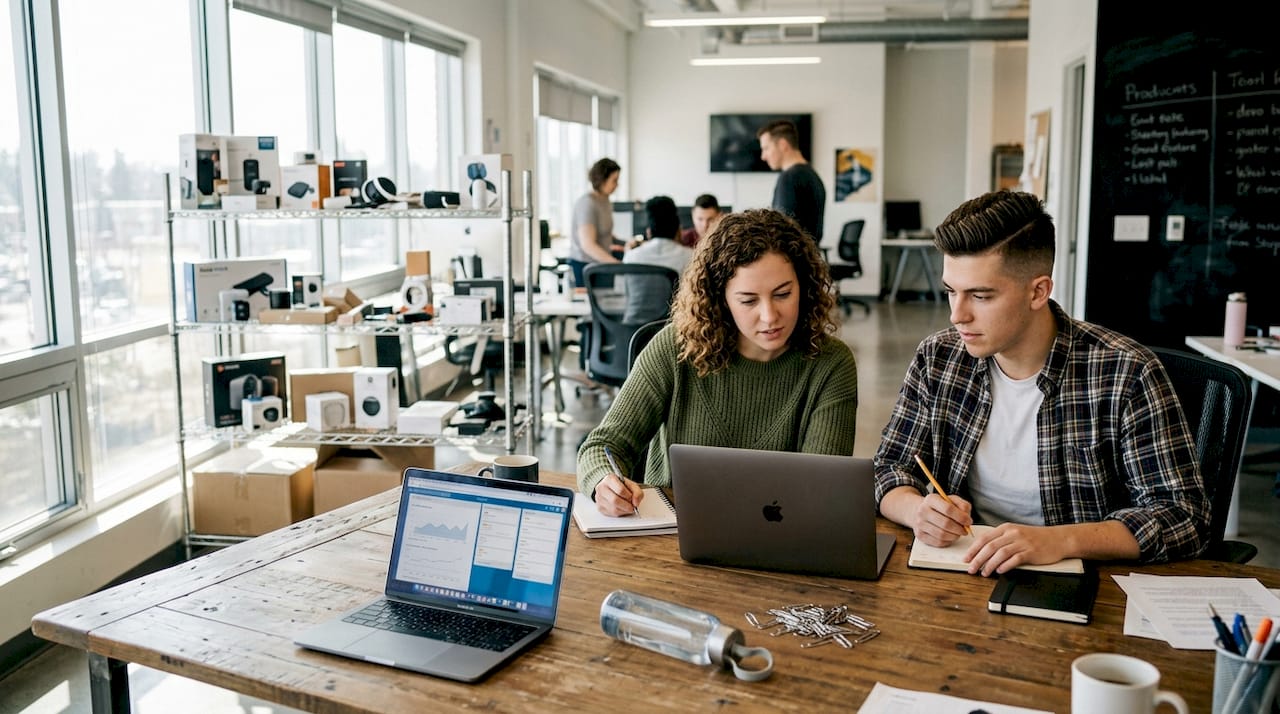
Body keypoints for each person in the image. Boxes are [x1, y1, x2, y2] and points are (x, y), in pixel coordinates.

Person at [873, 191, 1209, 572]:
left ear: (1038, 291)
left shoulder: (1126, 373)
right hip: (964, 571)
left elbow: (1184, 518)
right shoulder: (938, 358)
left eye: (980, 296)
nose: (957, 315)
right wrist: (918, 510)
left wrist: (1061, 539)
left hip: (1081, 583)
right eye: (952, 291)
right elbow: (888, 469)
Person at [577, 208, 858, 516]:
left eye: (783, 294)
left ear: (803, 287)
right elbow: (601, 446)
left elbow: (819, 487)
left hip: (779, 541)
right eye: (748, 300)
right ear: (720, 298)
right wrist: (604, 482)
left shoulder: (830, 364)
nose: (769, 316)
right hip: (666, 539)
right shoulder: (675, 348)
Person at [622, 195, 695, 325]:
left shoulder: (631, 256)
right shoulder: (690, 257)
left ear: (649, 231)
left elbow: (624, 295)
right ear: (678, 229)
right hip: (669, 335)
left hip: (632, 333)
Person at [757, 119, 825, 243]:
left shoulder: (789, 178)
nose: (763, 156)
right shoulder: (812, 175)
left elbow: (780, 232)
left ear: (783, 145)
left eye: (766, 148)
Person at [568, 158, 622, 288]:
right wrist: (617, 265)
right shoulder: (587, 204)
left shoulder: (605, 201)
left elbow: (605, 233)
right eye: (614, 180)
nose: (617, 184)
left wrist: (625, 243)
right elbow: (588, 245)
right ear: (602, 180)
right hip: (586, 266)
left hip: (602, 263)